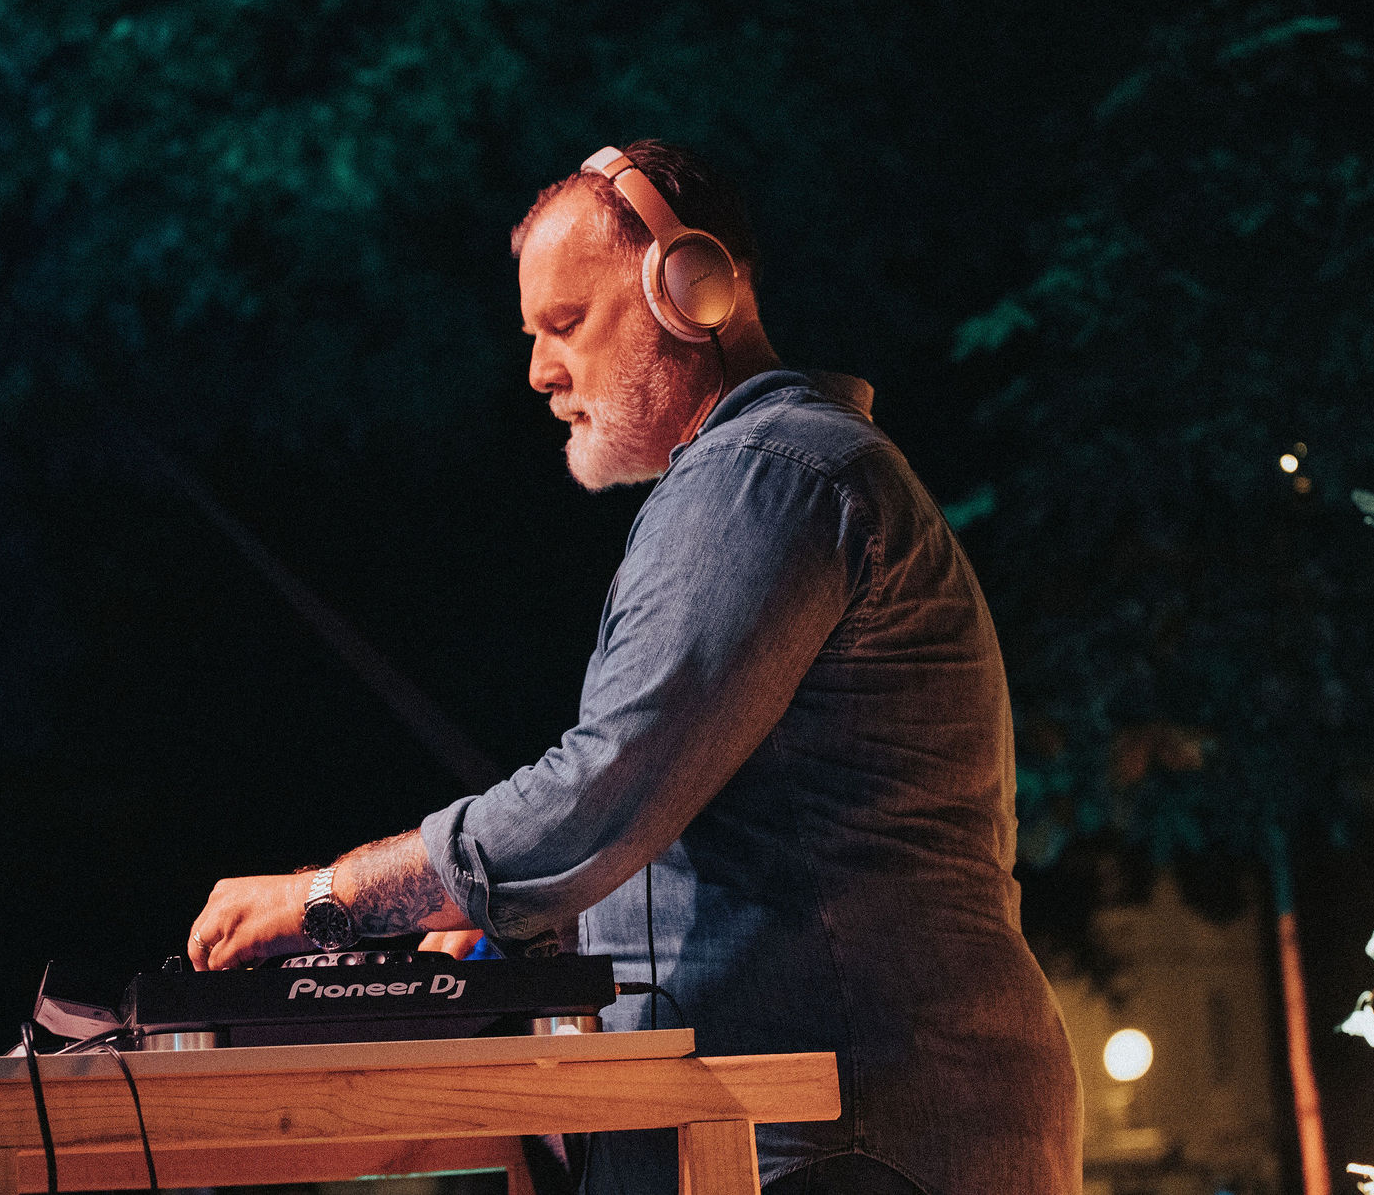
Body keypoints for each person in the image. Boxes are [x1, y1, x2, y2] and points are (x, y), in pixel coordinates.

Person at [186, 141, 1083, 1195]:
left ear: (690, 290)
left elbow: (600, 793)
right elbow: (732, 837)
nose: (538, 371)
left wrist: (324, 898)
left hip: (846, 1139)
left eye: (566, 323)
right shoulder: (777, 475)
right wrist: (517, 926)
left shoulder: (764, 475)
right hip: (835, 1134)